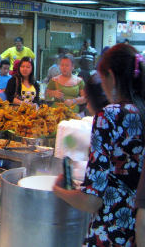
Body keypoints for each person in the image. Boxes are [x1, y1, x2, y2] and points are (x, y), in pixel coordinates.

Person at [53, 44, 145, 247]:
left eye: (102, 79)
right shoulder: (141, 111)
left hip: (112, 234)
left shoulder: (110, 115)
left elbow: (91, 201)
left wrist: (58, 190)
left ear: (111, 77)